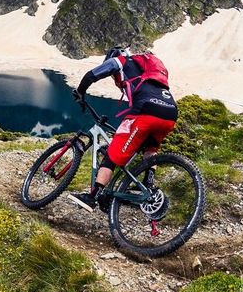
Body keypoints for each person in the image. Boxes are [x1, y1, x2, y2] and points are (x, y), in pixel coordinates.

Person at [70, 46, 178, 212]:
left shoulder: (119, 61)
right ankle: (149, 186)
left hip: (146, 110)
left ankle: (93, 196)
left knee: (112, 154)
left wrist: (80, 92)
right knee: (150, 148)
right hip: (170, 112)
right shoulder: (148, 69)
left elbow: (92, 75)